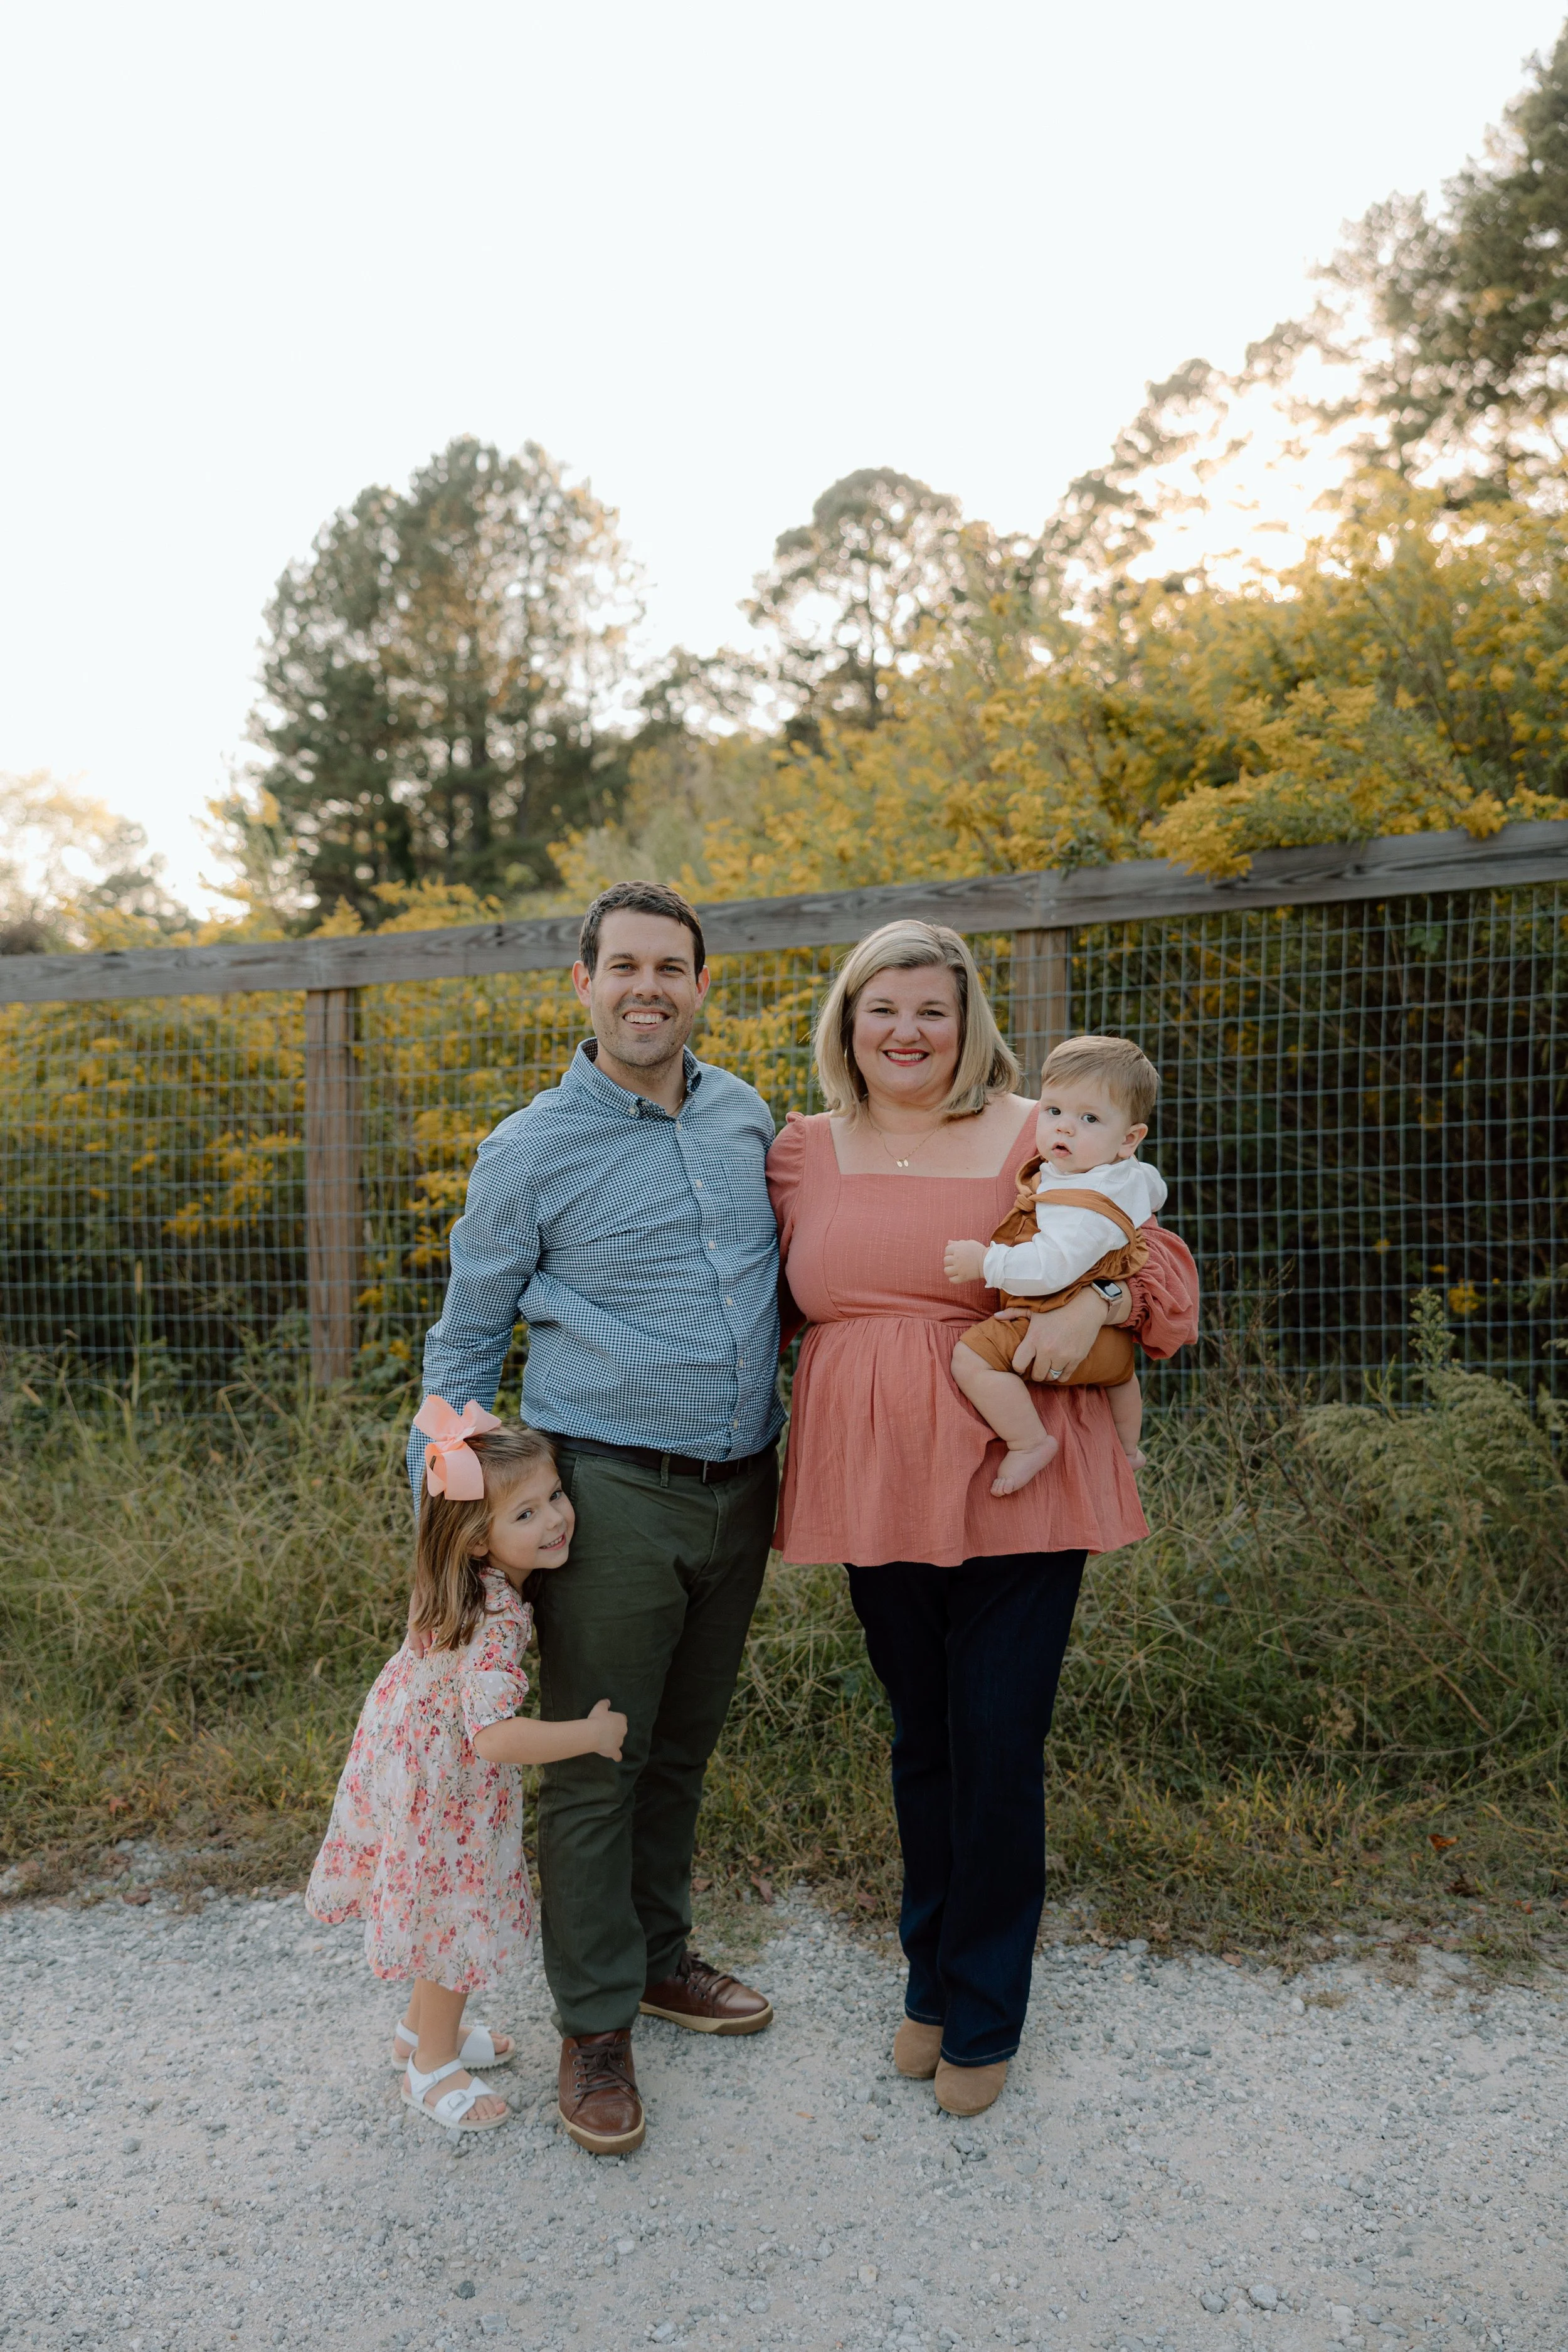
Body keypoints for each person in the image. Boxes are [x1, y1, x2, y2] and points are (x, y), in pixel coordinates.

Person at [767, 921, 1197, 2119]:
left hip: (1029, 1470)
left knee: (998, 1740)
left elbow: (1153, 1260)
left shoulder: (1037, 1127)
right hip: (874, 1476)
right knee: (924, 1738)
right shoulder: (798, 1150)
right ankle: (929, 1984)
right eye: (882, 1009)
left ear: (970, 1024)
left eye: (932, 1010)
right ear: (847, 1020)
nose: (907, 1032)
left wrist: (1106, 1296)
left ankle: (987, 2004)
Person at [410, 880, 781, 2158]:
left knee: (677, 1745)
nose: (647, 988)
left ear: (697, 984)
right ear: (580, 983)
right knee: (588, 1758)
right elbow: (462, 1346)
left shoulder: (745, 1119)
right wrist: (452, 1533)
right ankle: (592, 2024)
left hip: (743, 1487)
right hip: (609, 1490)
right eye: (622, 966)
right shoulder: (529, 1149)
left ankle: (659, 1956)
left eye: (670, 968)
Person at [307, 1407, 627, 2135]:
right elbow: (493, 1738)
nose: (555, 1519)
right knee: (451, 1916)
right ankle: (432, 2069)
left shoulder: (459, 1580)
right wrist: (590, 1732)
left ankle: (419, 2035)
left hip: (409, 1763)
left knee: (430, 1907)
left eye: (554, 1496)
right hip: (447, 1787)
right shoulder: (498, 1620)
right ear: (482, 1536)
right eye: (526, 1511)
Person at [944, 1034, 1165, 1492]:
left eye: (1089, 1118)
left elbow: (1052, 1266)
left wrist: (988, 1262)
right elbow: (1154, 1189)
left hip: (1050, 1314)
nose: (1064, 1128)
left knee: (972, 1360)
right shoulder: (1126, 1174)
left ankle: (1028, 1442)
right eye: (1054, 1111)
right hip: (1109, 1339)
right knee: (1122, 1374)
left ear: (1130, 1138)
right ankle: (1127, 1448)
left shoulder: (1080, 1205)